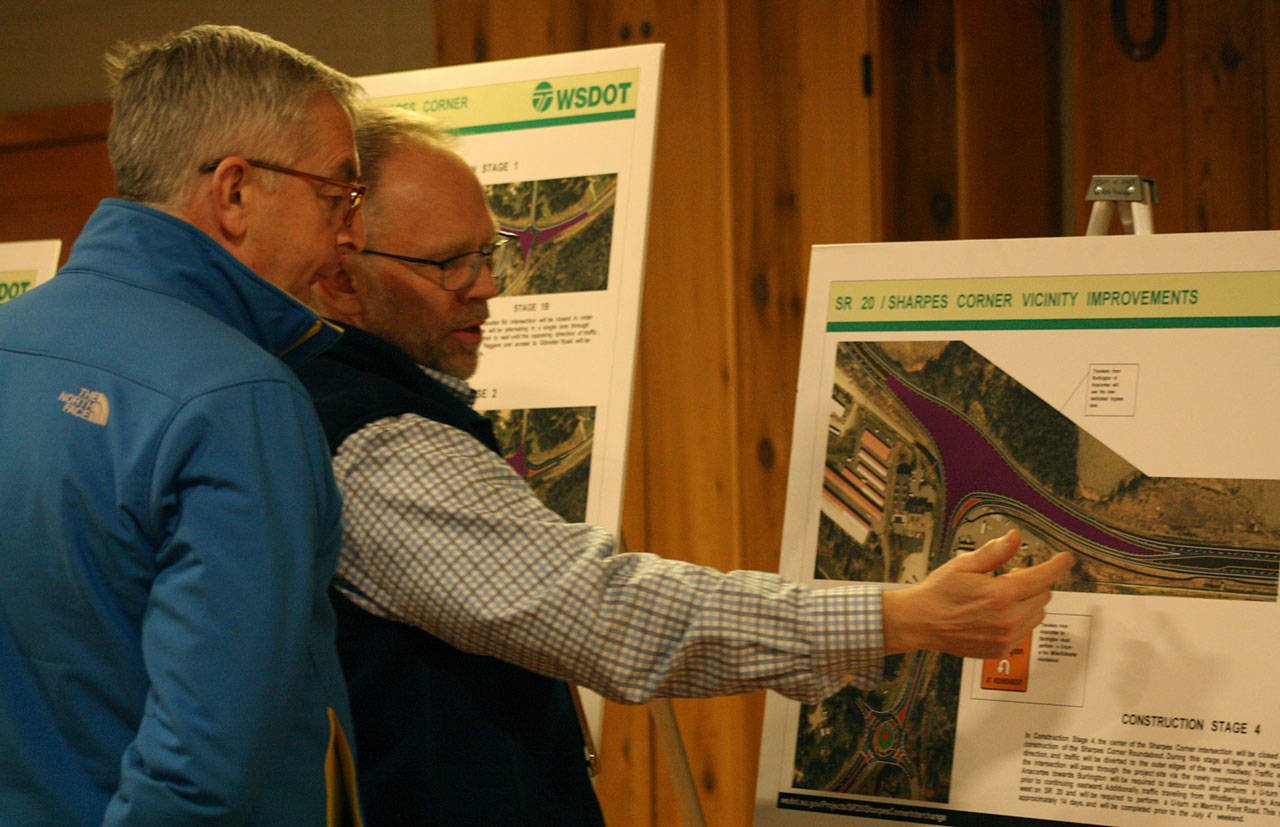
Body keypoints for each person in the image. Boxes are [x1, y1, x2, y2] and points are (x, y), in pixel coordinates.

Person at [299, 105, 1075, 825]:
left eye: (489, 250)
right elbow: (605, 613)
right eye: (449, 265)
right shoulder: (380, 444)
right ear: (340, 274)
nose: (489, 286)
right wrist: (899, 616)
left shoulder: (343, 398)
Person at [0, 25, 368, 824]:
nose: (349, 233)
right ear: (235, 191)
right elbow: (201, 770)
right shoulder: (236, 397)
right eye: (336, 195)